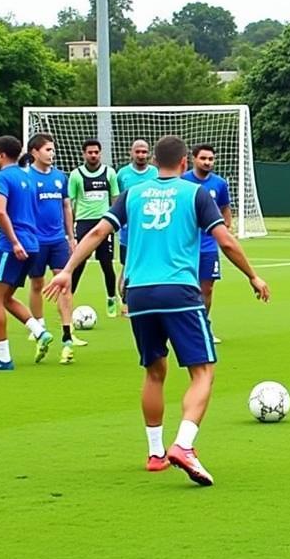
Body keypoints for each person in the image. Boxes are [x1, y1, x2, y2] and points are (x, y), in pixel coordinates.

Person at [45, 135, 270, 486]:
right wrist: (253, 276)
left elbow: (97, 233)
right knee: (203, 372)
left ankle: (154, 454)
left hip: (138, 294)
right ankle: (183, 445)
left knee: (154, 372)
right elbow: (225, 240)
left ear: (153, 161)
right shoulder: (194, 193)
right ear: (185, 163)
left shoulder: (132, 194)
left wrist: (67, 269)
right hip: (178, 290)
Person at [0, 136, 53, 371]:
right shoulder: (27, 176)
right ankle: (40, 332)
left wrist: (14, 242)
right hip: (32, 245)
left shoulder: (1, 177)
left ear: (1, 155)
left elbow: (0, 213)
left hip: (11, 246)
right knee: (6, 298)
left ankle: (3, 358)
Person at [25, 133, 80, 365]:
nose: (52, 153)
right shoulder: (26, 178)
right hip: (36, 241)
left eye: (52, 149)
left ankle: (67, 337)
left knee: (63, 284)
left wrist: (71, 236)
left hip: (58, 240)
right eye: (47, 149)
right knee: (37, 283)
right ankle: (40, 329)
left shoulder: (60, 177)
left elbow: (66, 206)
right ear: (34, 152)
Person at [181, 144, 231, 344]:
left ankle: (203, 326)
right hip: (186, 245)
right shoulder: (183, 181)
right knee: (185, 287)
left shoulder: (219, 183)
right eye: (203, 158)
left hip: (209, 245)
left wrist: (227, 227)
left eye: (211, 159)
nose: (207, 162)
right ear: (193, 159)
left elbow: (225, 208)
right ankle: (184, 327)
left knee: (207, 288)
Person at [67, 138, 119, 316]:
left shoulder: (109, 173)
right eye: (90, 152)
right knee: (79, 263)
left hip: (104, 223)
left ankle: (111, 298)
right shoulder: (76, 175)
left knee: (106, 264)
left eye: (96, 152)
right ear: (84, 154)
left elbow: (115, 198)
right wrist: (71, 228)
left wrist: (114, 221)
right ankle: (69, 298)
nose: (93, 155)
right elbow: (70, 202)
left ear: (100, 153)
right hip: (83, 223)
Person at [115, 139, 157, 313]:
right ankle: (125, 302)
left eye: (144, 152)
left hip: (151, 228)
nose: (141, 155)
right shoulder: (122, 174)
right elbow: (117, 200)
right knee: (128, 266)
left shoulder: (155, 172)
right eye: (138, 152)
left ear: (149, 153)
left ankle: (150, 301)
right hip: (129, 231)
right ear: (131, 153)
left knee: (151, 263)